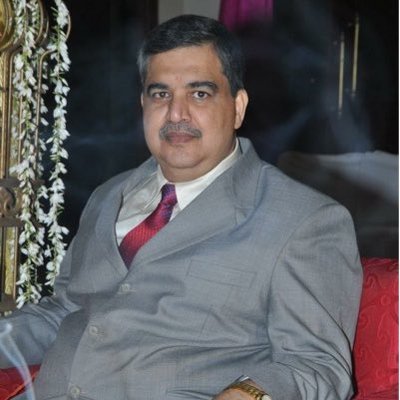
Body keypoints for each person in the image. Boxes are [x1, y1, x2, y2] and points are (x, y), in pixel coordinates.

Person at [1, 14, 362, 400]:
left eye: (199, 94)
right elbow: (65, 312)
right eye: (160, 94)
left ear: (238, 107)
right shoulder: (107, 196)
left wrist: (247, 394)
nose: (176, 114)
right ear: (143, 104)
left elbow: (316, 366)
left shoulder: (304, 220)